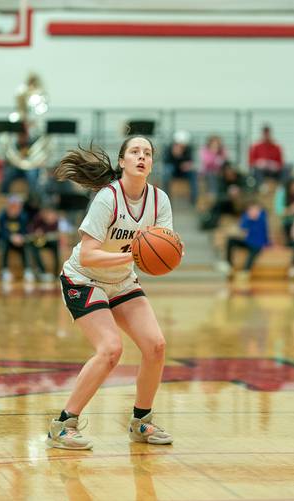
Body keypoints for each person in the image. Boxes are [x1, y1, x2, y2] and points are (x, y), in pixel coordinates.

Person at [49, 135, 174, 450]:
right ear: (122, 161)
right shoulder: (108, 198)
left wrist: (170, 252)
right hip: (83, 278)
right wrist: (133, 256)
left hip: (120, 280)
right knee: (110, 349)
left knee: (156, 346)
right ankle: (63, 425)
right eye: (134, 152)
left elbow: (162, 247)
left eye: (147, 153)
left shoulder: (160, 200)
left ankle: (141, 422)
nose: (141, 157)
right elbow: (88, 254)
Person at [218, 200, 271, 277]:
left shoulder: (262, 217)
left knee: (254, 250)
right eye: (251, 209)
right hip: (248, 241)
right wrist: (248, 218)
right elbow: (242, 230)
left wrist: (267, 244)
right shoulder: (246, 217)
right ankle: (228, 264)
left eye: (256, 209)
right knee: (231, 241)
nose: (254, 211)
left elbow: (264, 232)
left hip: (258, 244)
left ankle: (246, 270)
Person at [0, 195, 32, 284]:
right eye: (12, 207)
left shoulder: (23, 216)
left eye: (17, 207)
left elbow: (25, 231)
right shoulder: (2, 216)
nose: (14, 209)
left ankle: (28, 270)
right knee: (4, 244)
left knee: (26, 245)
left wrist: (21, 237)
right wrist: (11, 237)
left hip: (19, 241)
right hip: (6, 240)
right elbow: (2, 232)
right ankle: (4, 270)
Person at [162, 131, 197, 206]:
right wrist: (175, 156)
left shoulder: (188, 149)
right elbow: (166, 161)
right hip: (173, 170)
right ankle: (166, 198)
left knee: (193, 173)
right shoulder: (169, 148)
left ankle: (194, 200)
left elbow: (190, 161)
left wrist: (187, 164)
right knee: (166, 170)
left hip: (184, 171)